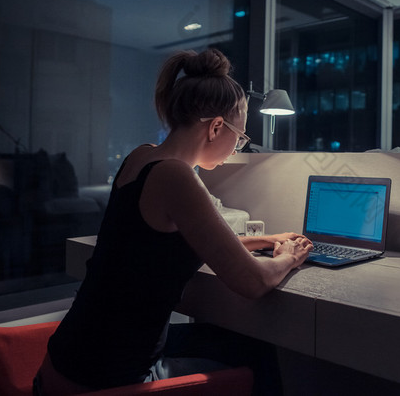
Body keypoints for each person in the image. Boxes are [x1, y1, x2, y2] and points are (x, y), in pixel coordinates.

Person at [34, 48, 312, 395]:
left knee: (226, 340)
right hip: (106, 380)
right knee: (257, 352)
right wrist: (290, 256)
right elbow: (253, 281)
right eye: (240, 137)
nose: (236, 148)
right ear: (214, 128)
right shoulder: (177, 177)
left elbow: (168, 243)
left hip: (65, 362)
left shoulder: (142, 157)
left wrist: (264, 239)